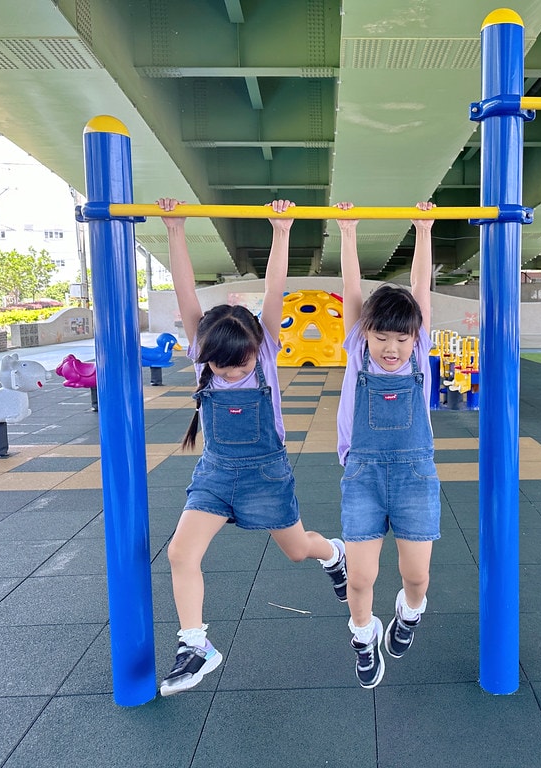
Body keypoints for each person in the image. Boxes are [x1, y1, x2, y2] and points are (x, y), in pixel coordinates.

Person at [156, 197, 347, 697]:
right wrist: (175, 230)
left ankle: (334, 555)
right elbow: (185, 294)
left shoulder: (262, 347)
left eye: (239, 366)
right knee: (180, 553)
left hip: (266, 473)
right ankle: (196, 645)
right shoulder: (205, 352)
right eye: (224, 368)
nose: (232, 372)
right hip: (216, 473)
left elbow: (275, 289)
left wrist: (281, 231)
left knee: (298, 550)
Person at [334, 201, 441, 688]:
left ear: (415, 337)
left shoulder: (419, 354)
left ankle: (409, 613)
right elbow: (352, 292)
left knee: (415, 577)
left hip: (415, 476)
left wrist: (423, 230)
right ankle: (363, 636)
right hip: (363, 476)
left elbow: (422, 291)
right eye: (381, 337)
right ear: (366, 335)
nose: (391, 348)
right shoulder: (357, 354)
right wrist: (349, 232)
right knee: (360, 579)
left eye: (401, 339)